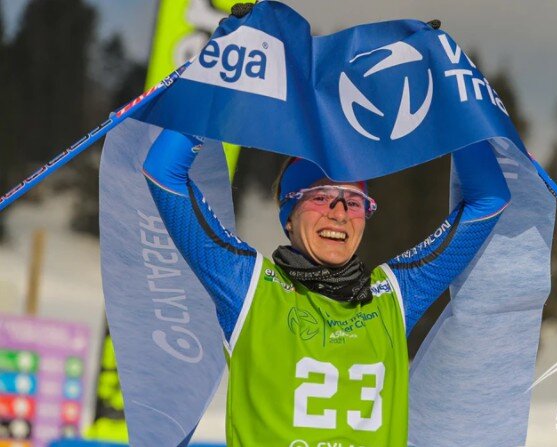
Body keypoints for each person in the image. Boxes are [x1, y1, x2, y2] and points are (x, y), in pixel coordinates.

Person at [142, 129, 510, 446]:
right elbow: (163, 170)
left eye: (354, 202)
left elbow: (489, 198)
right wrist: (213, 79)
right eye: (320, 197)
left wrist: (459, 117)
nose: (338, 212)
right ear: (289, 214)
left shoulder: (395, 296)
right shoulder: (248, 286)